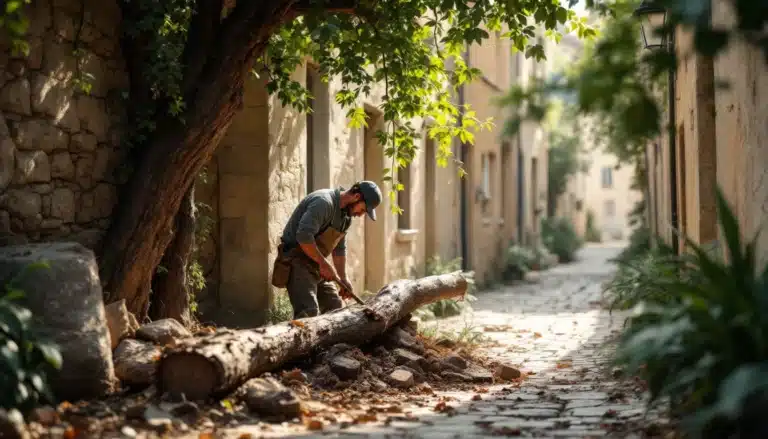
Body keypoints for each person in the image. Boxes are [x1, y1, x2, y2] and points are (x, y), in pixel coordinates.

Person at [271, 181, 383, 318]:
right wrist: (323, 264)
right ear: (357, 197)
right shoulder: (323, 203)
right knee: (308, 313)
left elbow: (339, 249)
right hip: (297, 260)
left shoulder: (346, 217)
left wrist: (343, 278)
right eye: (363, 210)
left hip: (316, 264)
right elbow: (304, 236)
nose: (360, 215)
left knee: (335, 308)